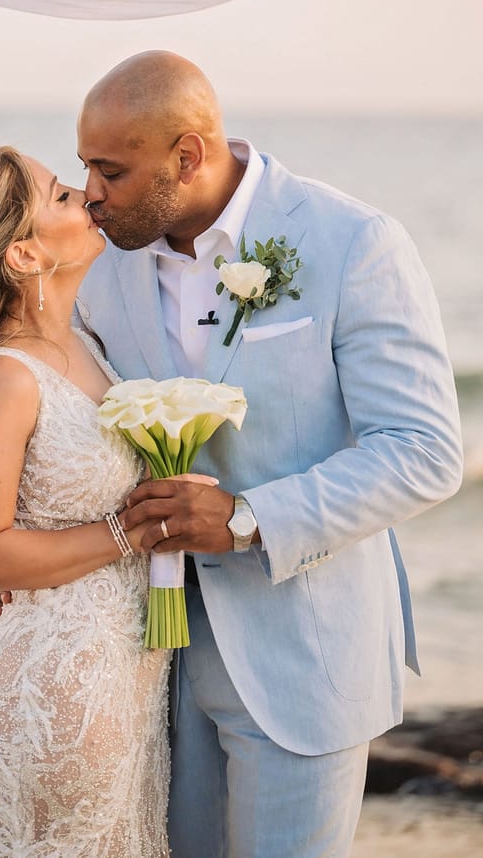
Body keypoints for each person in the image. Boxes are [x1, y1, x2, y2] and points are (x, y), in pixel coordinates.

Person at [74, 50, 464, 858]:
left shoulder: (353, 242)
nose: (90, 194)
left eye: (110, 170)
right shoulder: (101, 265)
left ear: (187, 156)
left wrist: (249, 518)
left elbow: (424, 451)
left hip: (304, 656)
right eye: (84, 168)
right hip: (153, 666)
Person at [0, 146, 173, 858]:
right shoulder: (7, 376)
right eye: (58, 196)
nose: (85, 195)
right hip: (53, 701)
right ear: (22, 254)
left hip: (119, 680)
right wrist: (125, 534)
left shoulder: (85, 346)